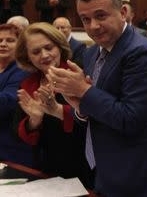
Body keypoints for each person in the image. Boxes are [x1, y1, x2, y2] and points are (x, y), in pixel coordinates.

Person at [47, 0, 147, 196]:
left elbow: (131, 119)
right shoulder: (92, 52)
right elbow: (97, 109)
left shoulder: (142, 53)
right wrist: (80, 107)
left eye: (101, 16)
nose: (93, 26)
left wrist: (84, 92)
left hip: (136, 171)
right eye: (85, 19)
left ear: (123, 12)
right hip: (104, 167)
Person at [12, 22, 92, 186]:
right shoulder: (27, 84)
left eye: (49, 47)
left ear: (60, 47)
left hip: (82, 169)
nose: (44, 55)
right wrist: (34, 120)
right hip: (44, 170)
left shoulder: (77, 75)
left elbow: (93, 122)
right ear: (27, 56)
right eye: (36, 51)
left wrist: (58, 110)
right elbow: (20, 134)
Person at [0, 24, 31, 166]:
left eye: (10, 40)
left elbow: (7, 103)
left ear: (20, 45)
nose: (3, 44)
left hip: (10, 150)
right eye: (0, 40)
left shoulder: (22, 70)